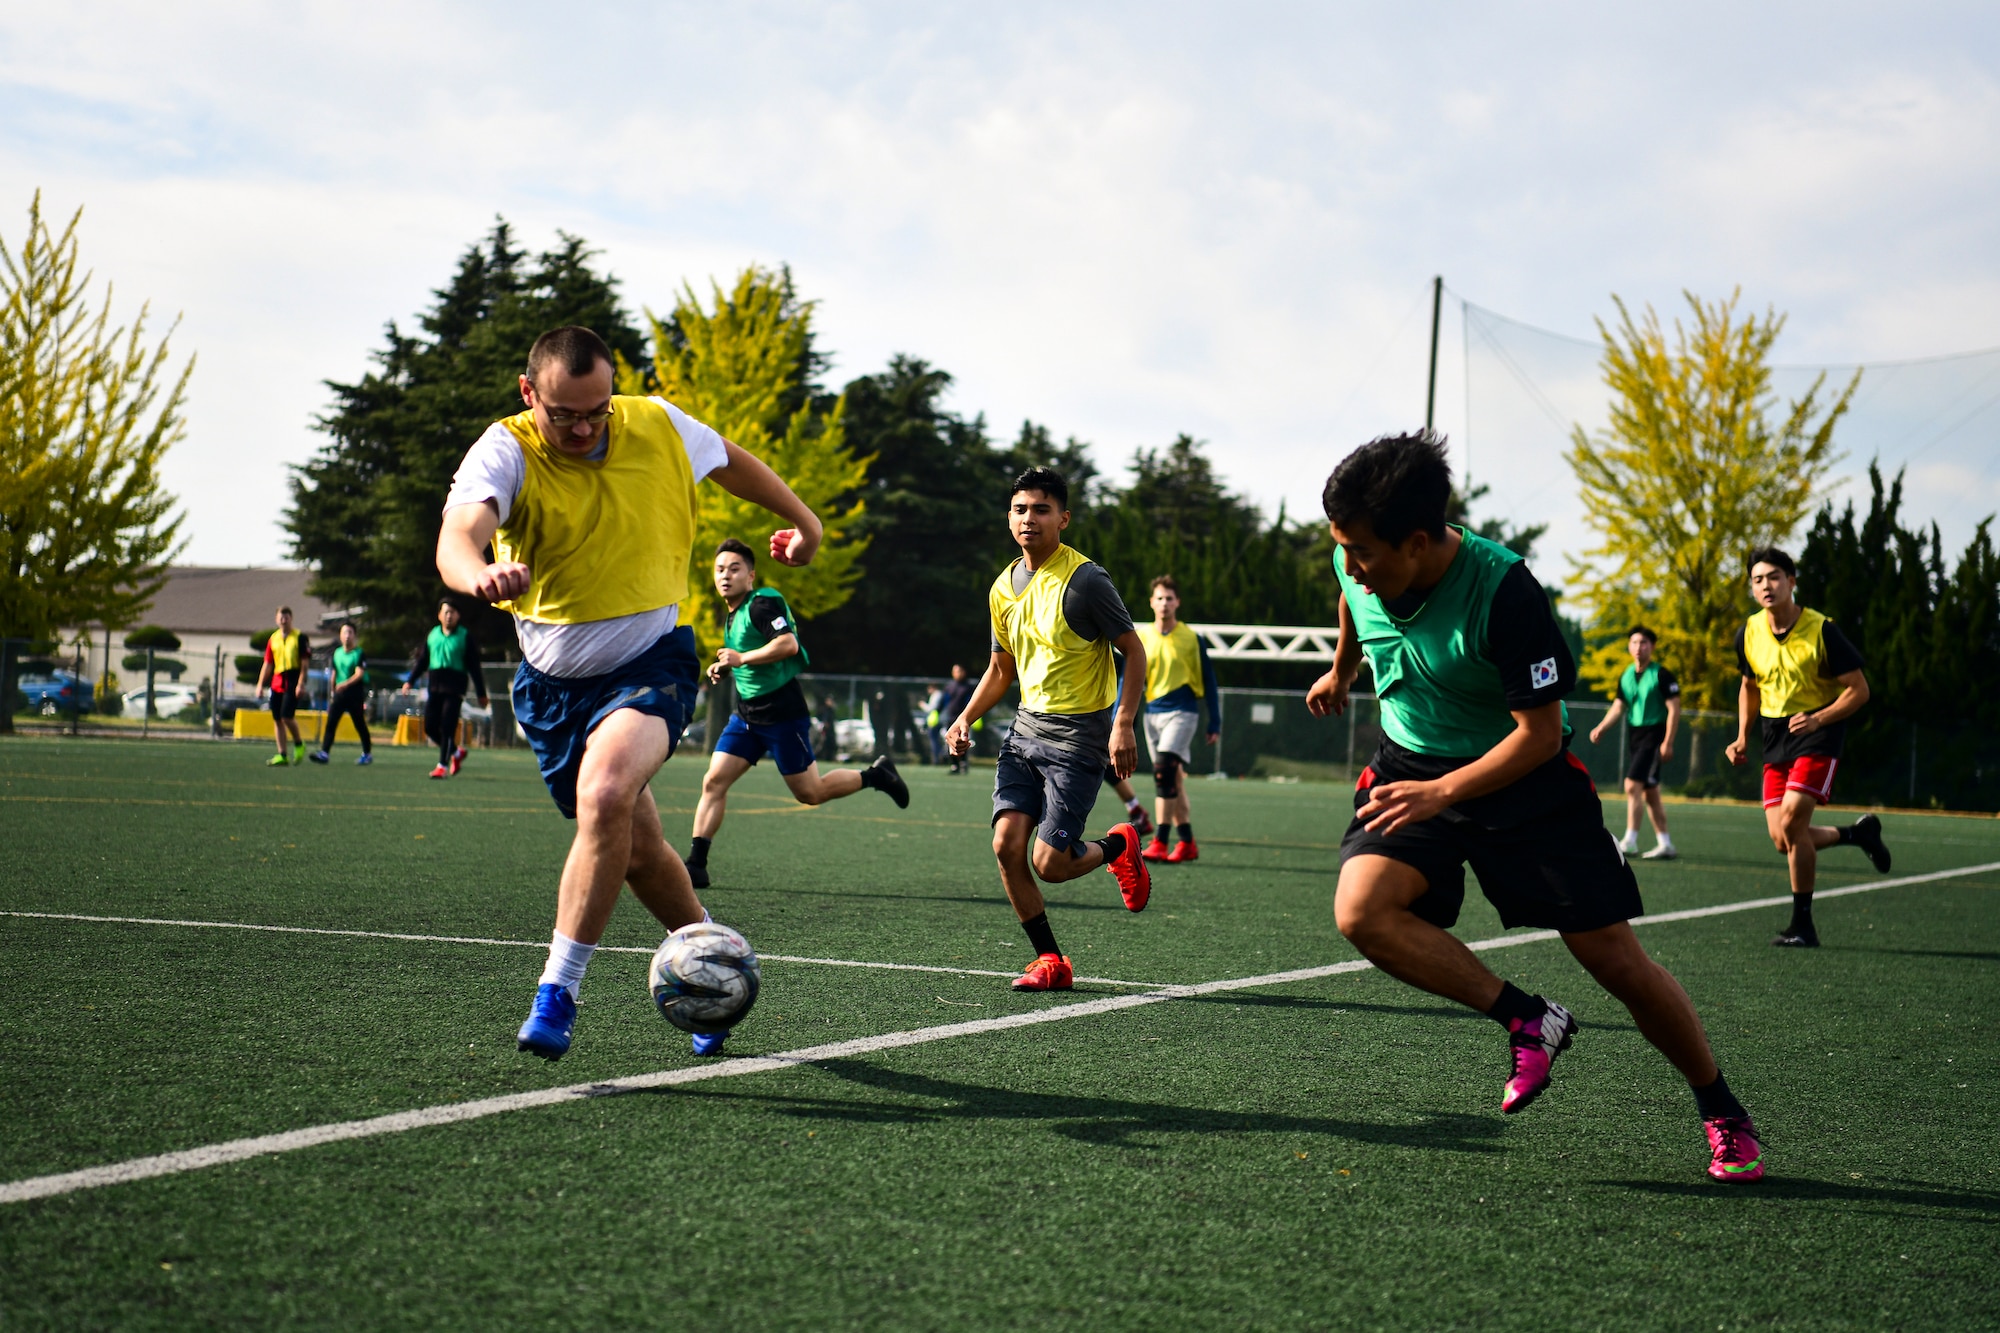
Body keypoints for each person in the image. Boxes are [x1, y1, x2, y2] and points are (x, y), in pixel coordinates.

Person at [1307, 431, 1764, 1183]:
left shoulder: (1505, 591)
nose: (1350, 563)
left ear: (1417, 542)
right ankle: (1527, 1018)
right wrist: (1343, 668)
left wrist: (1444, 791)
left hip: (1522, 781)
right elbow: (1351, 597)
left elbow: (1541, 737)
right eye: (1342, 547)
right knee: (1363, 912)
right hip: (1410, 764)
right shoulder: (1356, 558)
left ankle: (1722, 1108)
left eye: (1361, 550)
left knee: (1614, 959)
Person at [436, 324, 825, 1061]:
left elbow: (735, 464)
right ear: (529, 395)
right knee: (640, 851)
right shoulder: (506, 448)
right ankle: (713, 971)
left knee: (608, 791)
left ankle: (558, 988)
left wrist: (802, 521)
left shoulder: (657, 423)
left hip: (652, 662)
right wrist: (476, 571)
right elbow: (460, 531)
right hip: (551, 691)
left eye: (597, 410)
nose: (583, 427)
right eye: (564, 414)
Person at [944, 466, 1153, 992]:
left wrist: (1123, 724)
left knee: (1051, 864)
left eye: (1041, 509)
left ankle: (1118, 847)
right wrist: (965, 717)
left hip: (1080, 738)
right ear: (1009, 517)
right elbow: (999, 671)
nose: (1029, 519)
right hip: (1024, 733)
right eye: (1020, 509)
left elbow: (1133, 650)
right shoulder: (1001, 588)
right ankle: (1051, 961)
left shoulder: (1086, 580)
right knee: (1006, 845)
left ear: (1063, 518)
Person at [685, 538, 909, 889]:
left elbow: (787, 644)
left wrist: (740, 659)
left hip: (781, 714)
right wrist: (727, 666)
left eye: (734, 568)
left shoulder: (759, 606)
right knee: (714, 780)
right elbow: (750, 653)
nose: (725, 576)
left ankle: (876, 776)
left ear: (751, 575)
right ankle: (696, 864)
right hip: (745, 715)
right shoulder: (735, 612)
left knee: (811, 793)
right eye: (719, 570)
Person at [1725, 547, 1891, 947]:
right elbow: (1749, 687)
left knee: (1794, 823)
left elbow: (1860, 690)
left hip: (1818, 731)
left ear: (1792, 581)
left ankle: (1803, 925)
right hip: (1773, 735)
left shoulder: (1822, 630)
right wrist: (1742, 735)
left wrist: (1820, 718)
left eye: (1775, 577)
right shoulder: (1747, 632)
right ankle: (1857, 835)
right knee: (1782, 838)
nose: (1767, 585)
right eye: (1758, 579)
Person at [1135, 575, 1222, 862]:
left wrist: (1215, 721)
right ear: (1151, 603)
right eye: (1159, 598)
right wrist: (1121, 718)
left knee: (1163, 772)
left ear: (1177, 603)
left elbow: (1209, 680)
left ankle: (1160, 840)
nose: (1164, 603)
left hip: (1183, 711)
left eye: (1169, 598)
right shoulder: (1142, 637)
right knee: (1174, 780)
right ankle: (1187, 843)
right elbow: (1130, 679)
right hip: (1152, 713)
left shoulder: (1192, 638)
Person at [1587, 626, 1680, 860]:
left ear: (1653, 646)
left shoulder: (1662, 674)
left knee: (1631, 785)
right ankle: (1665, 843)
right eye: (1635, 643)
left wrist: (1668, 742)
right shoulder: (1626, 675)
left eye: (1644, 643)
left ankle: (1630, 840)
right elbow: (1619, 706)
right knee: (1650, 793)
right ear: (1629, 647)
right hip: (1635, 735)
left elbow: (1674, 708)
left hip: (1654, 736)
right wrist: (1601, 727)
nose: (1639, 647)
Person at [402, 600, 488, 779]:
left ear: (459, 616)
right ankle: (456, 753)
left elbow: (474, 666)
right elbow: (423, 661)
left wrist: (481, 693)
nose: (449, 616)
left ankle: (442, 765)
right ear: (439, 615)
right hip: (435, 686)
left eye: (453, 612)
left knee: (448, 727)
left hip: (455, 688)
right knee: (430, 727)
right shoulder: (433, 635)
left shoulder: (464, 636)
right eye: (446, 612)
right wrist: (410, 681)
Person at [309, 623, 374, 765]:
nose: (347, 636)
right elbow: (334, 673)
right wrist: (332, 691)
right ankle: (324, 753)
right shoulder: (337, 653)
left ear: (354, 635)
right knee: (331, 722)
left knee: (359, 724)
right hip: (339, 694)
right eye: (344, 632)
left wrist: (344, 684)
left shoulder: (359, 653)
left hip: (354, 693)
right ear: (340, 635)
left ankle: (367, 753)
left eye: (350, 632)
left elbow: (359, 674)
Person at [253, 606, 309, 767]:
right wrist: (260, 685)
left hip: (293, 678)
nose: (283, 620)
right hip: (278, 679)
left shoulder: (299, 637)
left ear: (291, 619)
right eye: (281, 618)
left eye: (286, 617)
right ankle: (282, 754)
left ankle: (299, 743)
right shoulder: (274, 639)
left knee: (286, 716)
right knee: (277, 718)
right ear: (276, 620)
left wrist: (300, 683)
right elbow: (268, 664)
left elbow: (305, 663)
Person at [940, 663, 974, 774]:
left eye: (959, 671)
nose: (957, 673)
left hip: (963, 719)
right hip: (951, 718)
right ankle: (954, 765)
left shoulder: (968, 687)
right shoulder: (949, 687)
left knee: (963, 740)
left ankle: (963, 763)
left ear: (964, 672)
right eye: (955, 671)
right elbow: (943, 702)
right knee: (951, 741)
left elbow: (971, 703)